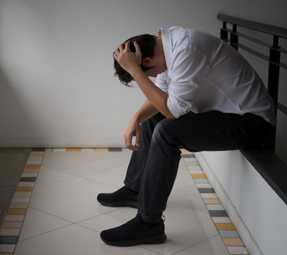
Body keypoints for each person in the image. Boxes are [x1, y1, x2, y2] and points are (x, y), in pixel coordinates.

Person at [97, 26, 276, 247]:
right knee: (153, 120)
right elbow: (160, 101)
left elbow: (171, 110)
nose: (153, 77)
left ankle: (149, 224)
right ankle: (135, 190)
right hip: (226, 114)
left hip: (252, 122)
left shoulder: (186, 51)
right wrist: (136, 118)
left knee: (167, 132)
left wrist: (136, 72)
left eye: (148, 74)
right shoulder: (166, 47)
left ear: (147, 61)